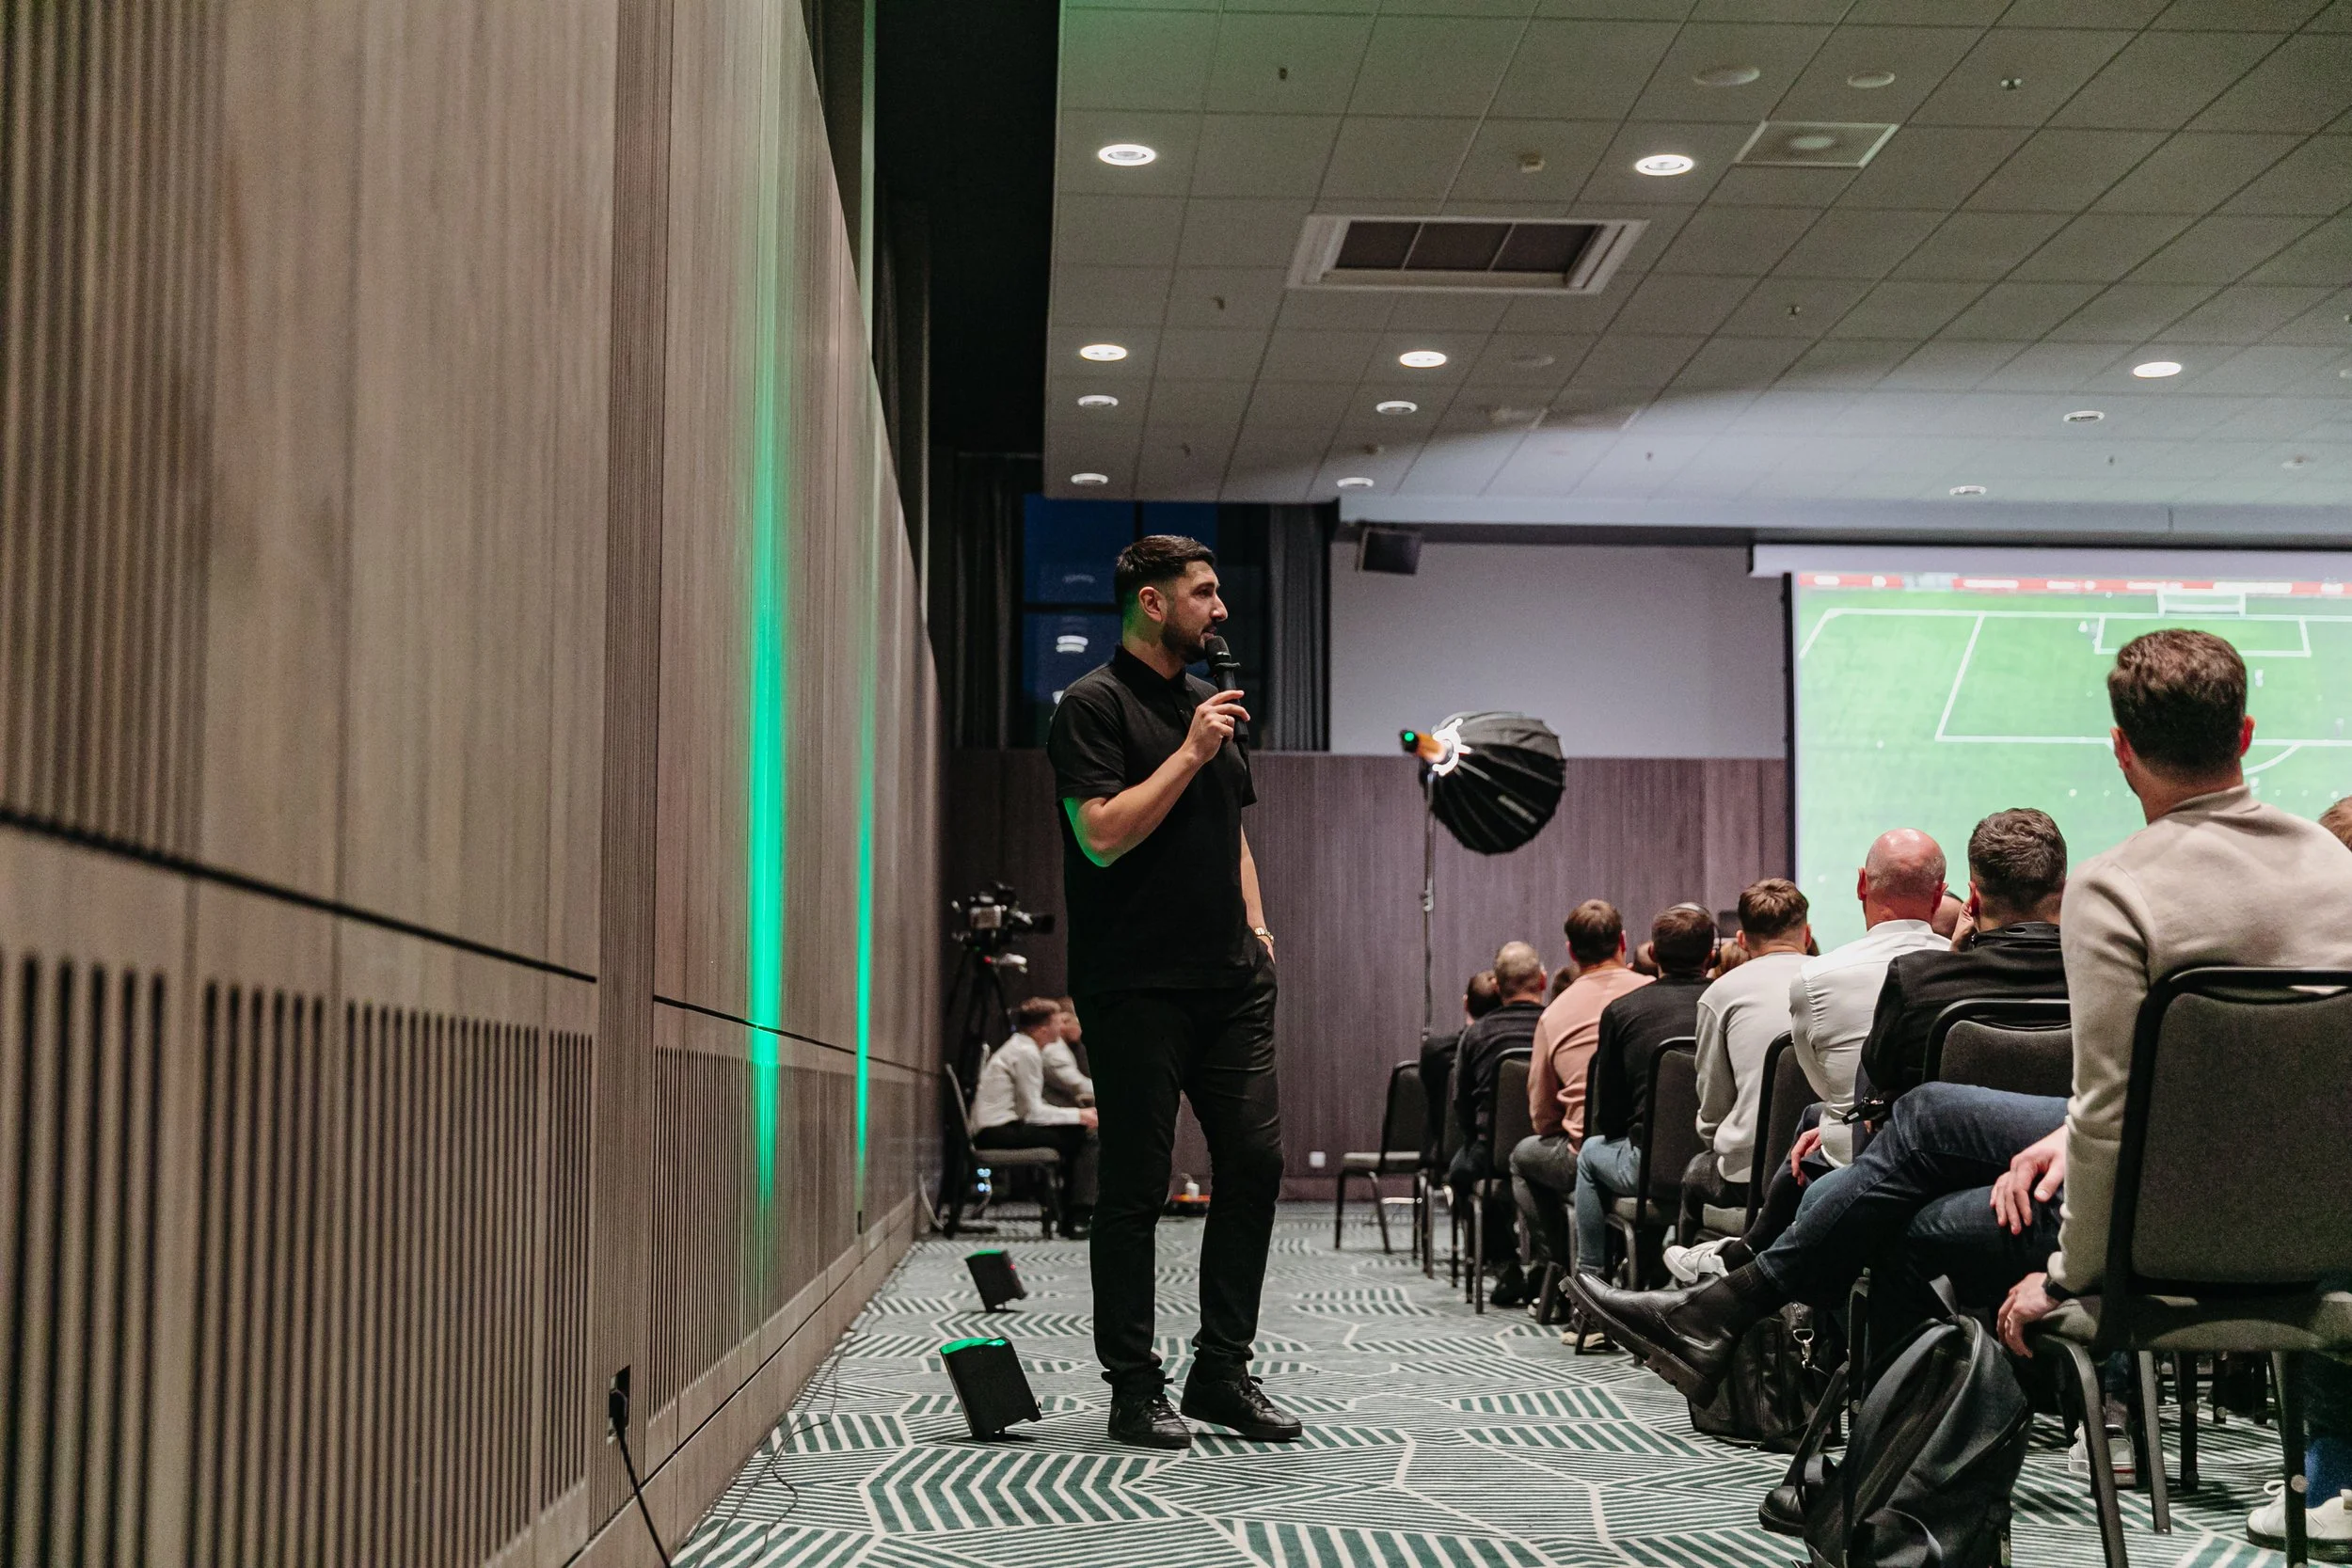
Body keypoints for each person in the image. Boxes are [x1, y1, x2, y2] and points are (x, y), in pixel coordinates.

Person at [1571, 629, 2352, 1409]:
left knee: (1909, 1206)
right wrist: (2063, 1136)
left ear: (2121, 748)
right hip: (2318, 1218)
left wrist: (2067, 1277)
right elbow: (2195, 1090)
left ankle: (1855, 1436)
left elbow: (2113, 1117)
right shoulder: (2335, 870)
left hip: (2168, 1221)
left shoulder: (2120, 888)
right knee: (1929, 1115)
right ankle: (1731, 1322)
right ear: (2246, 734)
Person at [1047, 533, 1297, 1449]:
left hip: (1231, 985)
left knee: (1257, 1164)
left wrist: (1260, 930)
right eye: (1203, 592)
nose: (1219, 607)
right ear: (1151, 603)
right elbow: (1102, 834)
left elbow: (1230, 834)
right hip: (1135, 984)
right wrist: (1189, 752)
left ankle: (1220, 1370)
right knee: (1135, 1187)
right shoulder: (1091, 705)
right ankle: (1133, 1382)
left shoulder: (1211, 710)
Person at [1673, 814, 2070, 1285]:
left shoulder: (1917, 981)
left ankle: (1742, 1282)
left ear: (1972, 898)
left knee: (1850, 1142)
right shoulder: (2100, 983)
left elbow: (1870, 1099)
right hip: (2073, 1173)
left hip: (1937, 1177)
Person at [1527, 904, 1713, 1281]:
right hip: (1718, 1164)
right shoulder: (1722, 1002)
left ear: (1653, 954)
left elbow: (1607, 1114)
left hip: (1650, 1171)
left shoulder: (1623, 1011)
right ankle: (1649, 1270)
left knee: (1593, 1153)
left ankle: (1591, 1287)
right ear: (1712, 954)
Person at [1663, 880, 1812, 1282]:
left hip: (1749, 1177)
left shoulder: (1721, 992)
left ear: (1742, 940)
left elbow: (1713, 1104)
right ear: (1808, 933)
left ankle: (1688, 1305)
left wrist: (1717, 1141)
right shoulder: (1835, 981)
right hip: (1824, 1168)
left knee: (1696, 1171)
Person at [1786, 828, 1950, 1171]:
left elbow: (1824, 1086)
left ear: (1862, 884)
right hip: (1944, 1162)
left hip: (1848, 1163)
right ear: (1939, 895)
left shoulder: (1814, 979)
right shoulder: (1967, 971)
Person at [1451, 942, 1549, 1306]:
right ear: (1542, 979)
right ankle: (1546, 1265)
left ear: (1497, 988)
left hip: (1491, 1156)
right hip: (1550, 1145)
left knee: (1461, 1173)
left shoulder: (1476, 1035)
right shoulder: (1553, 1023)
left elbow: (1461, 1102)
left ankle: (1504, 1264)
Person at [969, 997, 1100, 1238]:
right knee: (1089, 1137)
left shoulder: (1022, 1047)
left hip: (997, 1127)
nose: (1061, 1029)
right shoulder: (1026, 1052)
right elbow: (1033, 1113)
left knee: (1080, 1133)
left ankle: (1071, 1215)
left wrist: (1077, 1117)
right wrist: (1079, 1115)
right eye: (1056, 1023)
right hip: (996, 1132)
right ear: (1042, 1029)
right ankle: (1078, 1217)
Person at [1420, 971, 1501, 1170]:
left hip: (1442, 1151)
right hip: (1497, 1148)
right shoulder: (1503, 1053)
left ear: (1466, 1003)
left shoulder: (1435, 1052)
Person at [1044, 997, 1096, 1108]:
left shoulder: (1063, 1046)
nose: (1082, 1029)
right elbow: (1078, 1085)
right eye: (1079, 1023)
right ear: (1064, 1021)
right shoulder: (1053, 1050)